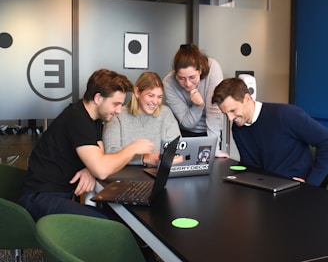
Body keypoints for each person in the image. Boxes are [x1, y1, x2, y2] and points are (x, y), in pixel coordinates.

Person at [18, 69, 154, 221]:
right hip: (39, 200)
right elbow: (102, 170)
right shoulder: (78, 119)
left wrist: (90, 168)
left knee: (118, 219)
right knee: (116, 225)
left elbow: (100, 154)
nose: (118, 111)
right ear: (98, 98)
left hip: (54, 196)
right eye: (115, 104)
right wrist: (133, 149)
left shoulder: (91, 118)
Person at [211, 77, 328, 187]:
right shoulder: (238, 129)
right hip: (267, 189)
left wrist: (311, 184)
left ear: (247, 98)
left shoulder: (286, 115)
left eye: (233, 110)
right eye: (225, 114)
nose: (230, 118)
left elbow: (325, 141)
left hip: (298, 190)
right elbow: (251, 167)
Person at [103, 71, 181, 167]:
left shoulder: (166, 113)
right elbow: (111, 153)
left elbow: (179, 149)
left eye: (159, 97)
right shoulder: (117, 115)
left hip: (157, 174)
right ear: (137, 92)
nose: (155, 102)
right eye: (150, 95)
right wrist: (145, 158)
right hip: (125, 175)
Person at [163, 43, 227, 157]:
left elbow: (214, 114)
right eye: (181, 78)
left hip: (212, 133)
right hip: (186, 135)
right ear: (175, 74)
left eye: (192, 77)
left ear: (201, 69)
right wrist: (198, 105)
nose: (187, 84)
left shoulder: (213, 68)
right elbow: (187, 123)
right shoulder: (168, 83)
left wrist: (214, 149)